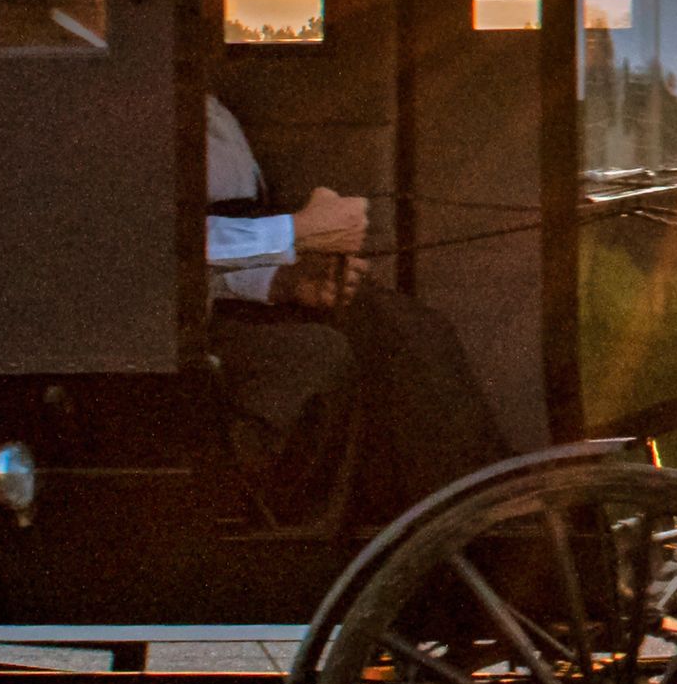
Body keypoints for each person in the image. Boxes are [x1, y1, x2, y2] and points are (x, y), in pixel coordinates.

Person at [205, 95, 501, 524]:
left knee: (406, 327)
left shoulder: (211, 109)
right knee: (315, 357)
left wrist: (280, 281)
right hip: (152, 338)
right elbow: (144, 247)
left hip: (214, 294)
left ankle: (470, 515)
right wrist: (294, 232)